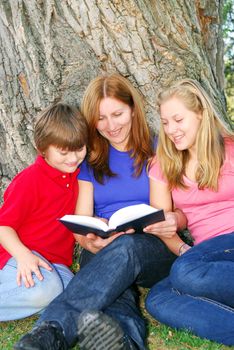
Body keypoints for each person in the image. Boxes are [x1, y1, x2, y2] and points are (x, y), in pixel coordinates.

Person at [14, 73, 182, 350]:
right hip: (107, 246)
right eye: (101, 118)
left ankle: (52, 330)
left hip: (154, 248)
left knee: (126, 248)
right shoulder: (90, 159)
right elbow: (83, 221)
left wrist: (129, 234)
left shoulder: (157, 149)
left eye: (117, 114)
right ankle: (125, 342)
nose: (111, 125)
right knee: (108, 272)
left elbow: (162, 216)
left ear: (133, 109)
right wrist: (89, 239)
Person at [144, 78, 234, 346]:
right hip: (206, 256)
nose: (171, 129)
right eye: (165, 122)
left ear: (200, 114)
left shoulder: (230, 149)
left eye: (178, 120)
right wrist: (184, 249)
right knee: (159, 298)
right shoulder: (163, 164)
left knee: (184, 273)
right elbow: (161, 223)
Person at [0, 102, 88, 321]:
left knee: (78, 298)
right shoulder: (30, 180)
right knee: (46, 290)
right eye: (63, 152)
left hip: (56, 264)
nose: (73, 158)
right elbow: (3, 226)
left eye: (79, 149)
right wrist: (23, 255)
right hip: (16, 256)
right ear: (42, 149)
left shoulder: (79, 177)